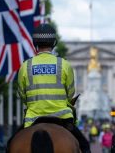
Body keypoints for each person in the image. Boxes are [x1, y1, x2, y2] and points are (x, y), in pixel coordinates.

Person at [16, 24, 90, 153]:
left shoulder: (25, 66)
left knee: (11, 144)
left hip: (33, 117)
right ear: (54, 43)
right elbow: (70, 93)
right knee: (85, 146)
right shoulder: (64, 64)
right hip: (61, 118)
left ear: (35, 43)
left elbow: (21, 94)